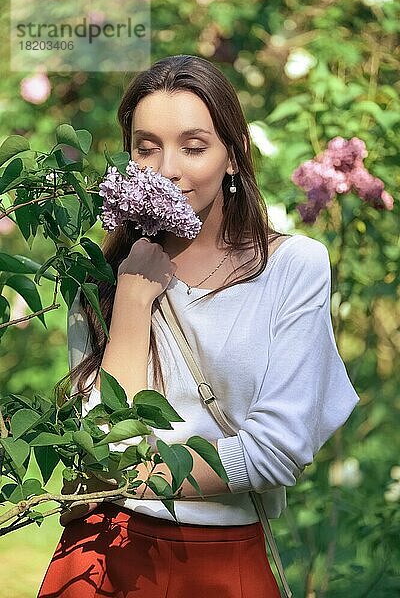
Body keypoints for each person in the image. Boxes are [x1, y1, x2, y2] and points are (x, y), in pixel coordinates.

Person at [37, 55, 360, 598]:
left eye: (193, 146)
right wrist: (133, 304)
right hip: (101, 556)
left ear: (233, 157)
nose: (166, 170)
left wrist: (136, 478)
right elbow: (100, 447)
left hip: (222, 559)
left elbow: (278, 449)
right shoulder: (98, 277)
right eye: (146, 148)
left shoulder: (291, 267)